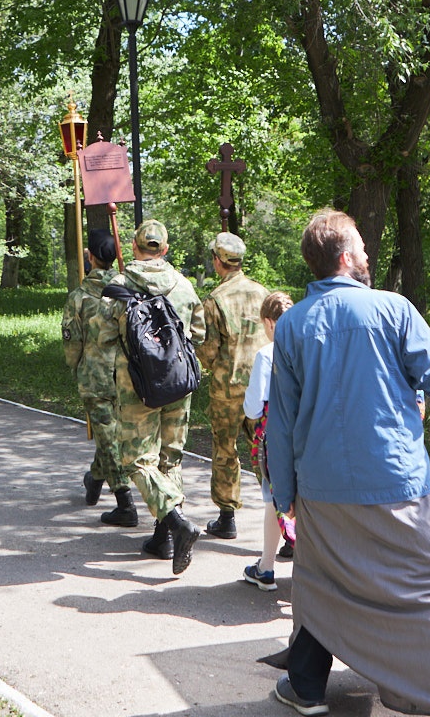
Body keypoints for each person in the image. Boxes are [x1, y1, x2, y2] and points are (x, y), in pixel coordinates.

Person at [266, 209, 430, 717]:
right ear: (346, 258)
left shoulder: (293, 324)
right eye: (363, 249)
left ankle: (305, 686)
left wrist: (285, 496)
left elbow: (280, 420)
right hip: (396, 482)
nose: (368, 257)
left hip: (320, 486)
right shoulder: (394, 309)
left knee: (320, 582)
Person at [99, 219, 208, 573]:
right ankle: (164, 539)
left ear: (134, 247)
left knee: (138, 460)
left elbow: (104, 339)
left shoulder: (118, 285)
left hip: (137, 385)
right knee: (171, 458)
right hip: (178, 380)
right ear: (164, 249)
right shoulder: (184, 285)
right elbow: (199, 335)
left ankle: (176, 523)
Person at [196, 231, 271, 540]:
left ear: (218, 261)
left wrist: (213, 366)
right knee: (268, 451)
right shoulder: (262, 292)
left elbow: (208, 349)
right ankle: (285, 518)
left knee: (225, 450)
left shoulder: (215, 300)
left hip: (227, 389)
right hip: (263, 386)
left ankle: (227, 518)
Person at [63, 229, 134, 523]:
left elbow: (72, 343)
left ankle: (125, 503)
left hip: (95, 377)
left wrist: (75, 366)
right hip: (126, 375)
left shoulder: (79, 297)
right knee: (109, 434)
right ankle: (94, 480)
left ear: (90, 257)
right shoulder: (127, 291)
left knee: (108, 437)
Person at [241, 290, 295, 591]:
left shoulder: (267, 354)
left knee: (274, 500)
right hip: (307, 434)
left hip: (274, 438)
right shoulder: (308, 351)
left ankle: (266, 567)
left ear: (269, 322)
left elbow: (252, 407)